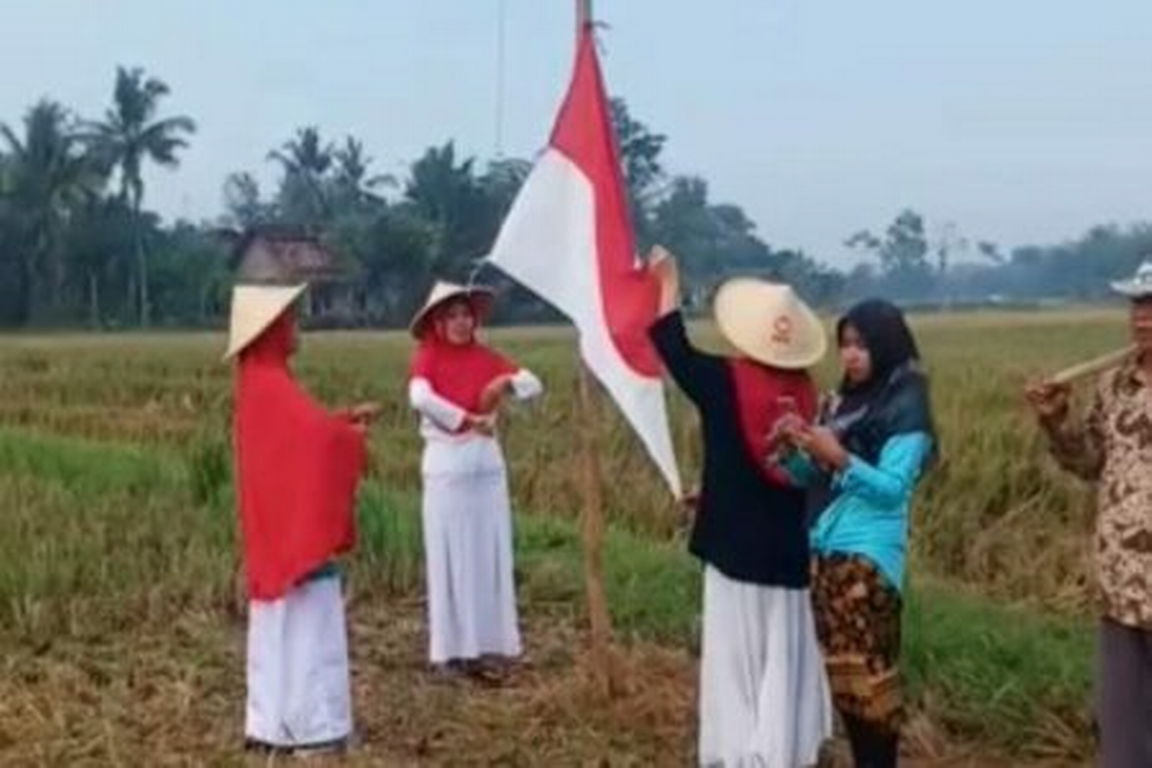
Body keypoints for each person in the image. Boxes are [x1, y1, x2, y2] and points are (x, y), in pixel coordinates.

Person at [647, 247, 833, 768]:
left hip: (733, 546)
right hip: (788, 550)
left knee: (735, 655)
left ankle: (740, 750)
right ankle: (784, 748)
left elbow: (673, 347)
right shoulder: (807, 394)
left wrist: (668, 280)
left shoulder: (723, 380)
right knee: (784, 648)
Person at [776, 298, 936, 768]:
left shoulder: (907, 405)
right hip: (825, 553)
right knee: (844, 686)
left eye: (862, 345)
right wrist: (794, 450)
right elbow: (812, 477)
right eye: (845, 344)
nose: (851, 355)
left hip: (867, 560)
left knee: (871, 690)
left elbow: (892, 489)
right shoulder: (840, 402)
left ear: (886, 345)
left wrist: (839, 455)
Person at [226, 282, 377, 756]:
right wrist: (350, 436)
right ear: (271, 331)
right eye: (290, 320)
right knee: (307, 626)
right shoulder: (271, 383)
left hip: (273, 527)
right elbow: (315, 442)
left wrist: (343, 419)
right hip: (293, 534)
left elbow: (301, 437)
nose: (297, 327)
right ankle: (314, 724)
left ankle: (274, 722)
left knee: (277, 629)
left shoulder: (262, 380)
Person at [1024, 259, 1152, 768]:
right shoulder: (1113, 385)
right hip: (1123, 585)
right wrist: (1054, 421)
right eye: (1136, 306)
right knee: (1123, 739)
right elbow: (1089, 461)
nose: (1142, 318)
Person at [408, 281, 543, 683]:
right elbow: (419, 397)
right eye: (453, 315)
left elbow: (534, 382)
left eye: (466, 314)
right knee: (451, 556)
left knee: (488, 554)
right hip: (447, 467)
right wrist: (466, 419)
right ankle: (450, 651)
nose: (462, 322)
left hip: (486, 469)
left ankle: (489, 644)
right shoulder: (428, 356)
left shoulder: (487, 357)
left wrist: (505, 384)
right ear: (438, 321)